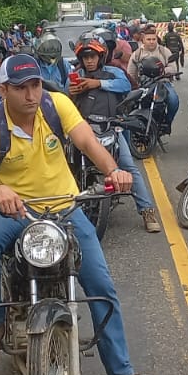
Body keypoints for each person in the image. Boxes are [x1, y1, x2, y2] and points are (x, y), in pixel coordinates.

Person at [0, 54, 160, 375]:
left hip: (65, 208)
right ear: (3, 89)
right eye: (21, 88)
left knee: (101, 285)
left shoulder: (57, 106)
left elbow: (88, 142)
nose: (30, 94)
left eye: (35, 85)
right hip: (16, 213)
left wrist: (113, 171)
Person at [70, 40, 163, 234]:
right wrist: (70, 92)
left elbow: (124, 86)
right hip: (82, 128)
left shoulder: (115, 72)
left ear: (100, 57)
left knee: (128, 167)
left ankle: (147, 211)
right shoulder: (75, 75)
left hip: (110, 126)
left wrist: (97, 83)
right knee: (66, 163)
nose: (89, 61)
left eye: (92, 57)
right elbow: (63, 99)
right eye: (85, 57)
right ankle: (62, 212)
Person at [131, 26, 180, 132]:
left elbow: (173, 68)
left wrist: (163, 71)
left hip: (163, 83)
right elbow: (131, 73)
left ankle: (167, 123)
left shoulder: (164, 51)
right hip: (144, 85)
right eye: (149, 39)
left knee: (173, 101)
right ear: (143, 40)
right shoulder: (137, 54)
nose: (151, 42)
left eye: (153, 39)